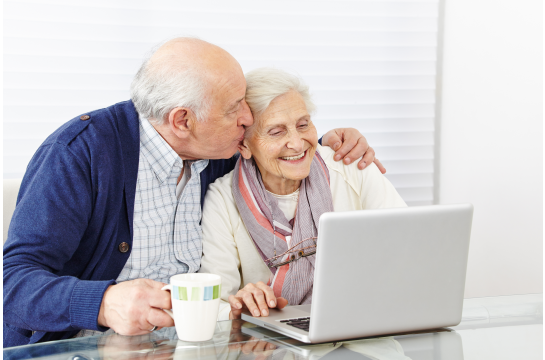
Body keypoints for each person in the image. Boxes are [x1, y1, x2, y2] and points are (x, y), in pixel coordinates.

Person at [2, 38, 383, 347]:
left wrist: (330, 142)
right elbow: (12, 285)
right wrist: (101, 304)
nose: (248, 119)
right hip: (87, 349)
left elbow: (277, 148)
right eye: (235, 109)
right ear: (182, 120)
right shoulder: (80, 153)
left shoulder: (216, 151)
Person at [199, 68, 407, 321]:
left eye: (303, 125)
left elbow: (408, 250)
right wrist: (240, 306)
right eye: (276, 132)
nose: (297, 143)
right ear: (244, 144)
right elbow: (215, 304)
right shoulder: (222, 198)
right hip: (269, 343)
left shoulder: (352, 166)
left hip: (366, 321)